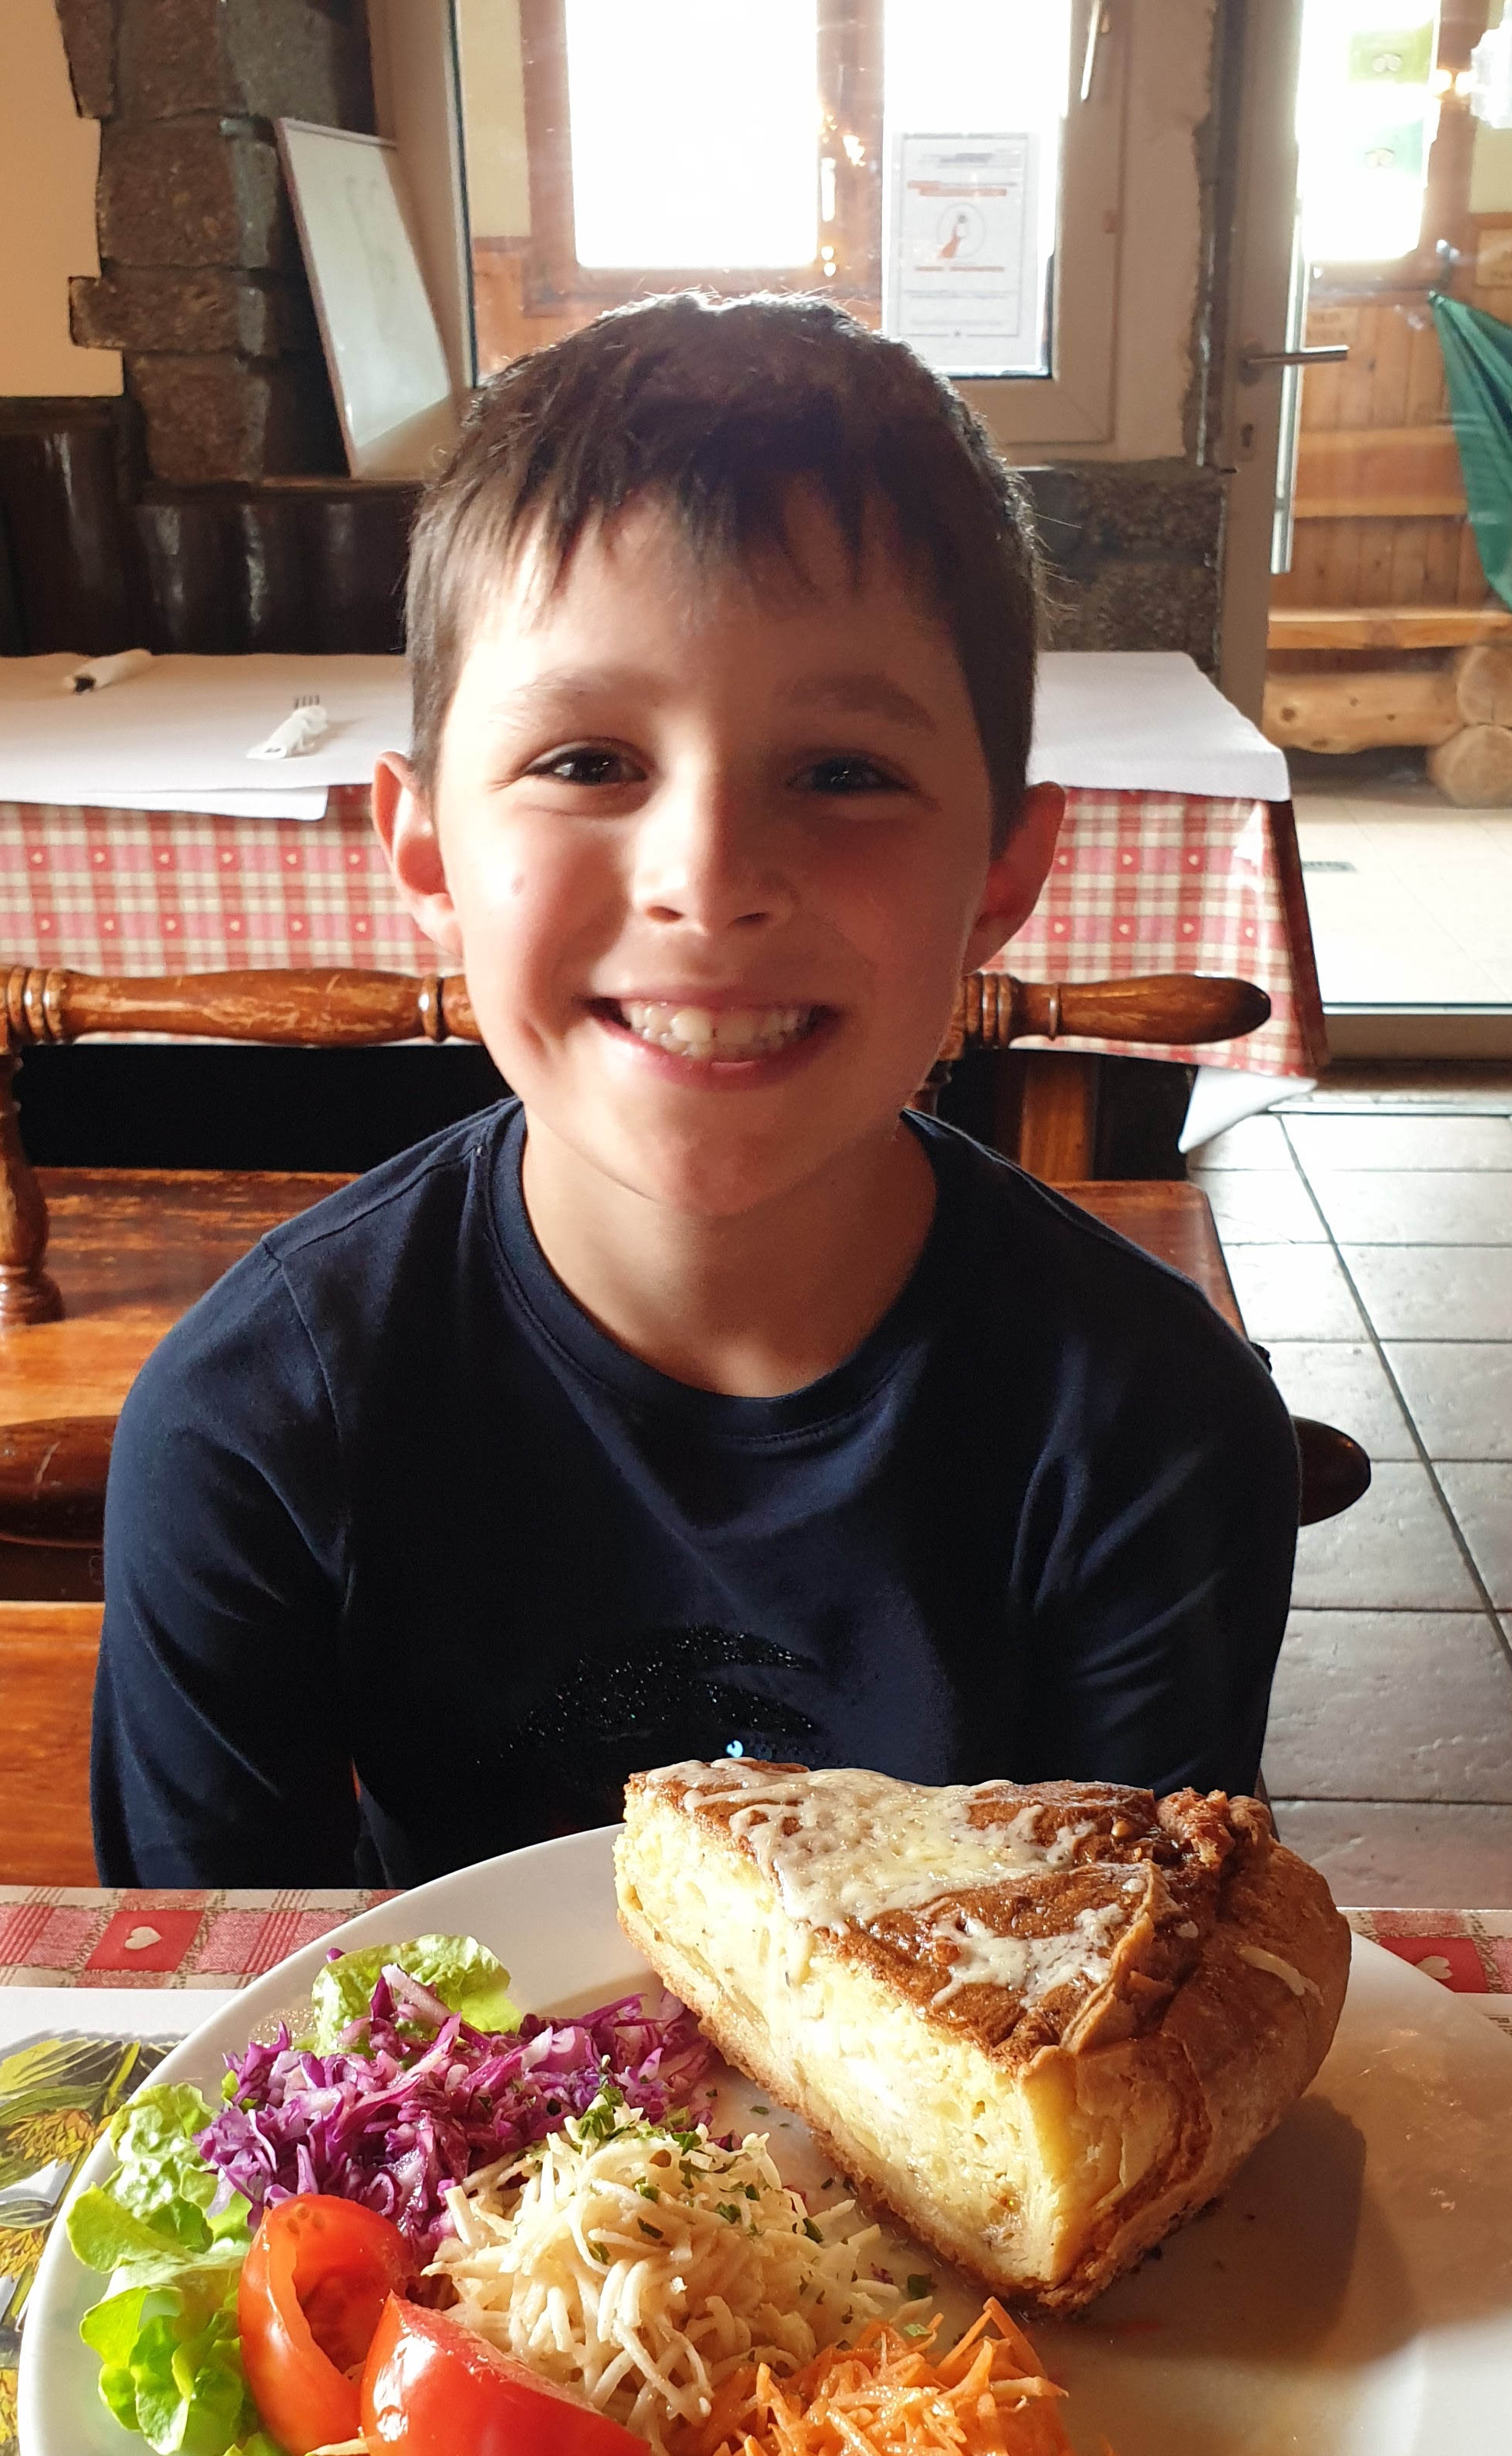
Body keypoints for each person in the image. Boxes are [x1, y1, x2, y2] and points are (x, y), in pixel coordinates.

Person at [92, 294, 1299, 1889]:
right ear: (427, 853)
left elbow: (1124, 1985)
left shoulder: (1152, 1426)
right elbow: (210, 1989)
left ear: (1004, 875)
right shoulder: (254, 1419)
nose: (711, 880)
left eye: (845, 773)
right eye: (588, 762)